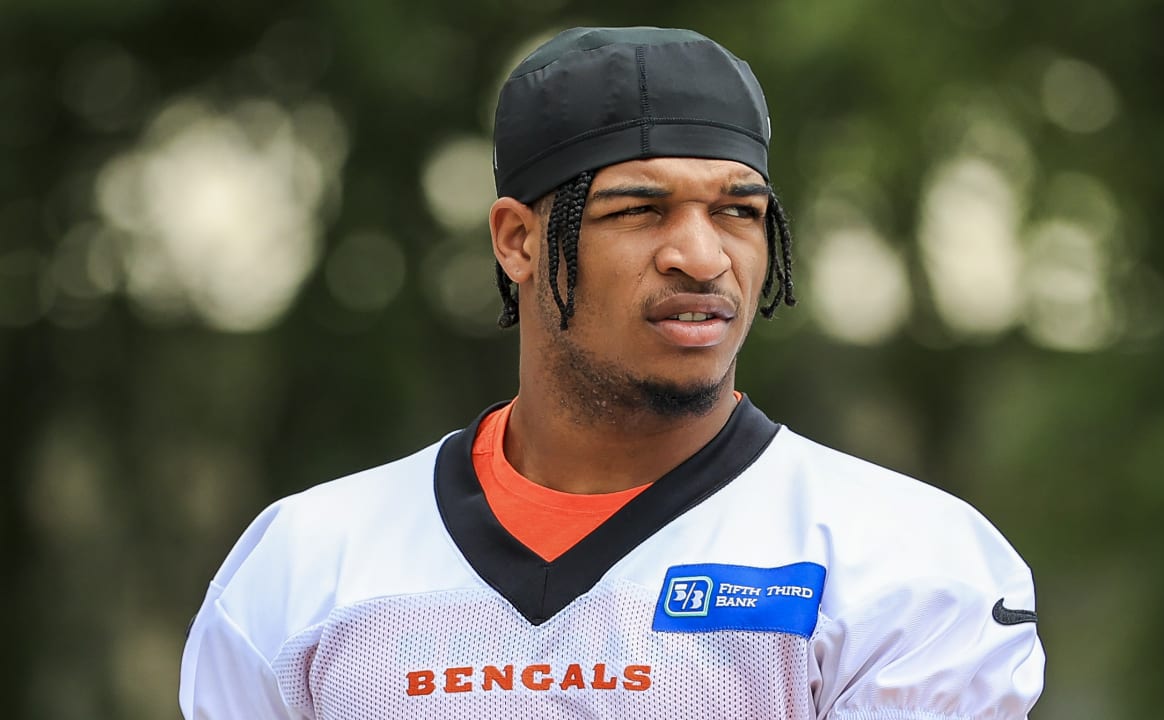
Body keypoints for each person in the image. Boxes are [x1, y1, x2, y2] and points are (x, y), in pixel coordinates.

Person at [180, 26, 1044, 719]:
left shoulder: (905, 562)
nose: (702, 257)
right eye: (640, 209)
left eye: (737, 211)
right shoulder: (307, 563)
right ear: (517, 240)